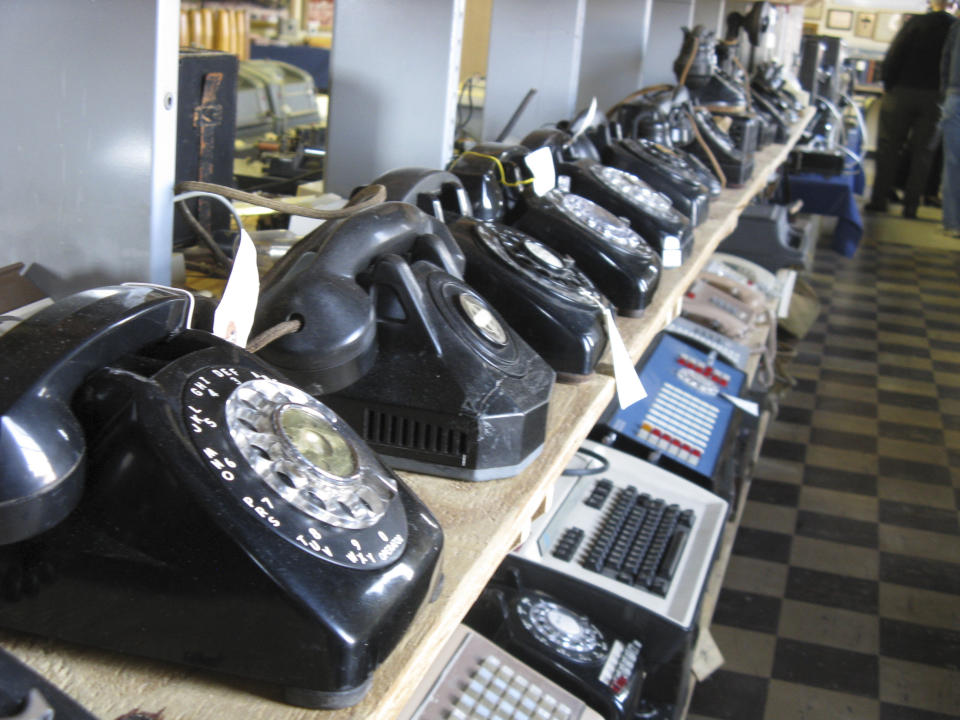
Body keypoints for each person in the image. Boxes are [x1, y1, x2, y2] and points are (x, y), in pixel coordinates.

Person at [866, 0, 956, 218]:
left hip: (902, 92)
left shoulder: (915, 23)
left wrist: (888, 84)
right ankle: (911, 207)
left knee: (889, 148)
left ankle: (879, 200)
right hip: (937, 97)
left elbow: (895, 54)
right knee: (923, 154)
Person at [942, 18, 960, 235]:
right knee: (953, 162)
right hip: (955, 95)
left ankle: (953, 222)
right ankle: (953, 221)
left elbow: (945, 62)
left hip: (955, 95)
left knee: (953, 162)